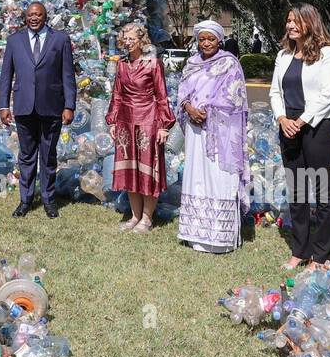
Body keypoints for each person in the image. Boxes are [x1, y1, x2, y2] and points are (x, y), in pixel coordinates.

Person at [269, 3, 330, 270]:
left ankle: (323, 255)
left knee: (322, 191)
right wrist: (282, 119)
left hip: (317, 126)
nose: (290, 26)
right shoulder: (283, 56)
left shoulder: (327, 54)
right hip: (288, 125)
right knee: (297, 192)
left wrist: (300, 121)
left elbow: (327, 94)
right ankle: (300, 250)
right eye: (288, 21)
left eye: (296, 21)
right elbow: (275, 92)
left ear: (310, 23)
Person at [176, 20, 249, 254]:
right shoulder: (191, 64)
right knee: (197, 177)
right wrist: (188, 108)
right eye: (202, 39)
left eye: (211, 39)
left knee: (218, 177)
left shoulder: (229, 63)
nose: (206, 43)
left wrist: (209, 111)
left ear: (220, 40)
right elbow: (182, 92)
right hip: (196, 132)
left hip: (221, 133)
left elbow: (235, 98)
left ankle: (220, 238)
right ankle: (195, 235)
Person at [0, 1, 76, 219]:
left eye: (38, 15)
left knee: (48, 156)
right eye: (31, 14)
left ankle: (49, 200)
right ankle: (25, 200)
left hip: (52, 107)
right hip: (24, 107)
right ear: (25, 17)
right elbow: (6, 76)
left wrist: (69, 105)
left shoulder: (60, 39)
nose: (34, 18)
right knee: (26, 156)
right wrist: (3, 105)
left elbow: (68, 75)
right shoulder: (15, 41)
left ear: (45, 16)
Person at [107, 23, 175, 233]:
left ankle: (147, 218)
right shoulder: (122, 65)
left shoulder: (153, 64)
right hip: (126, 122)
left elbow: (162, 96)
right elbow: (117, 95)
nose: (127, 42)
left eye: (131, 39)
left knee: (147, 170)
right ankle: (135, 216)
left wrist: (164, 126)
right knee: (130, 171)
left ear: (141, 40)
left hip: (149, 121)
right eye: (124, 39)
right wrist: (112, 121)